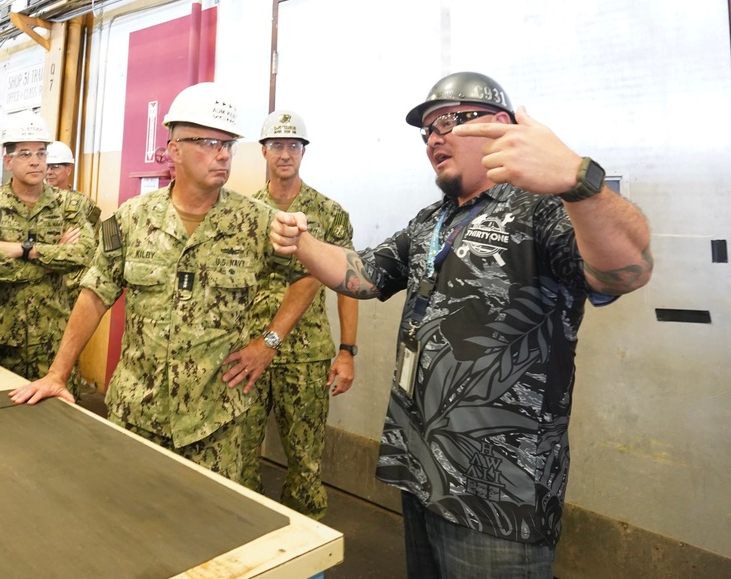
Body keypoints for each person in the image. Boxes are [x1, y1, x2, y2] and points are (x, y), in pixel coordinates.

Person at [270, 72, 653, 577]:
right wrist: (303, 244)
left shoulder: (546, 211)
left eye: (447, 122)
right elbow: (364, 274)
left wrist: (579, 182)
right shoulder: (433, 220)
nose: (433, 138)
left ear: (498, 127)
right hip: (422, 470)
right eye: (426, 130)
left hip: (498, 494)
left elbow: (628, 271)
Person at [9, 82, 314, 482]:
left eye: (228, 144)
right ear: (174, 150)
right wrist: (57, 373)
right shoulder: (132, 218)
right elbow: (95, 294)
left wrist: (268, 343)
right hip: (137, 412)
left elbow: (308, 276)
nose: (223, 154)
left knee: (211, 529)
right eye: (207, 142)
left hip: (216, 423)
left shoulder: (256, 221)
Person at [240, 109, 358, 520]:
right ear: (263, 151)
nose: (285, 153)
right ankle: (245, 539)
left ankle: (305, 555)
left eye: (293, 145)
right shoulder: (245, 211)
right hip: (248, 354)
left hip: (305, 356)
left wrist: (347, 351)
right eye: (277, 145)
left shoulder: (329, 213)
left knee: (306, 466)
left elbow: (348, 285)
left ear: (304, 152)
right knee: (238, 459)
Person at [0, 111, 96, 383]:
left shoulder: (68, 205)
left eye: (41, 153)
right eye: (25, 154)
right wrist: (51, 263)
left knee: (57, 418)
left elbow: (83, 254)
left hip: (54, 336)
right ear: (8, 160)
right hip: (1, 339)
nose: (36, 162)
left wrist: (24, 250)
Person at [45, 139, 102, 397]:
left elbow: (85, 246)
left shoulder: (82, 205)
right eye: (47, 165)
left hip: (71, 289)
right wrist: (57, 246)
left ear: (69, 169)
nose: (49, 171)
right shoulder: (37, 201)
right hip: (42, 286)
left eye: (56, 166)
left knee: (66, 346)